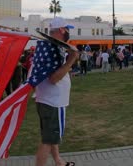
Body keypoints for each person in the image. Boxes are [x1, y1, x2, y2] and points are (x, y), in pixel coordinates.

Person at [33, 17, 78, 166]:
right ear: (62, 30)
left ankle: (59, 162)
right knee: (48, 140)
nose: (69, 32)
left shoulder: (48, 46)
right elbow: (54, 78)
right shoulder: (52, 48)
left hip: (45, 99)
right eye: (68, 29)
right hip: (53, 102)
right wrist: (71, 60)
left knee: (51, 136)